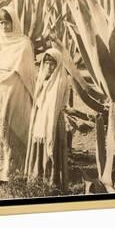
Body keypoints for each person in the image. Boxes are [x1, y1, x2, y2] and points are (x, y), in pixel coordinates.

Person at [0, 7, 35, 182]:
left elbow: (28, 73)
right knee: (0, 129)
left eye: (8, 21)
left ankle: (17, 172)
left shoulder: (24, 42)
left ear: (14, 21)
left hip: (17, 91)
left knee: (17, 127)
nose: (4, 26)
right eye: (1, 22)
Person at [24, 48, 70, 191]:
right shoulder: (41, 79)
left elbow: (60, 104)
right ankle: (37, 179)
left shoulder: (62, 80)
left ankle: (52, 182)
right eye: (47, 63)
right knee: (39, 148)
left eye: (52, 64)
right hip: (40, 120)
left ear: (58, 65)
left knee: (53, 150)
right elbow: (37, 101)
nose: (49, 67)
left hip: (54, 121)